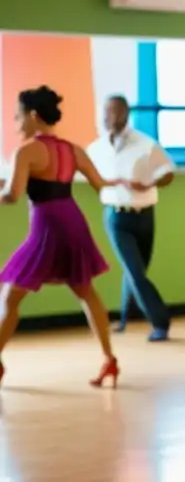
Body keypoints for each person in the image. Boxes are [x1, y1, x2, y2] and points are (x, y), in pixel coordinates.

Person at [0, 86, 122, 388]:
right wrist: (124, 182)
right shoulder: (73, 150)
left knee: (9, 296)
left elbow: (13, 195)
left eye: (17, 116)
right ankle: (110, 360)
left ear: (32, 115)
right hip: (73, 223)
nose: (15, 122)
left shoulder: (27, 151)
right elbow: (99, 184)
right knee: (86, 292)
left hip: (46, 228)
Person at [86, 95, 176, 342]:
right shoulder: (95, 148)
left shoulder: (146, 144)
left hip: (145, 216)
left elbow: (169, 173)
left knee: (136, 271)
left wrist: (149, 183)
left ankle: (126, 318)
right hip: (116, 218)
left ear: (125, 114)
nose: (107, 117)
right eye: (105, 112)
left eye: (113, 112)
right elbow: (88, 176)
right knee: (136, 272)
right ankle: (161, 323)